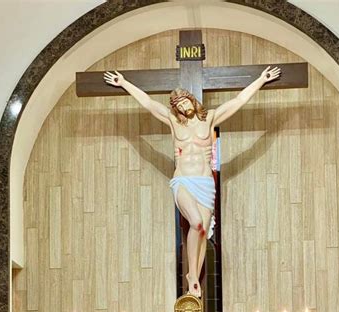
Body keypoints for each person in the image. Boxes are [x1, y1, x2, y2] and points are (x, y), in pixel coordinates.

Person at [103, 66, 281, 298]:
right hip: (183, 180)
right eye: (178, 106)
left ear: (192, 100)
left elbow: (238, 101)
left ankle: (193, 279)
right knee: (195, 222)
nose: (183, 107)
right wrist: (124, 83)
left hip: (206, 183)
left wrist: (260, 80)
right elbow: (147, 102)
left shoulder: (210, 119)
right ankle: (192, 275)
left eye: (185, 102)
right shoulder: (173, 122)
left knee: (202, 231)